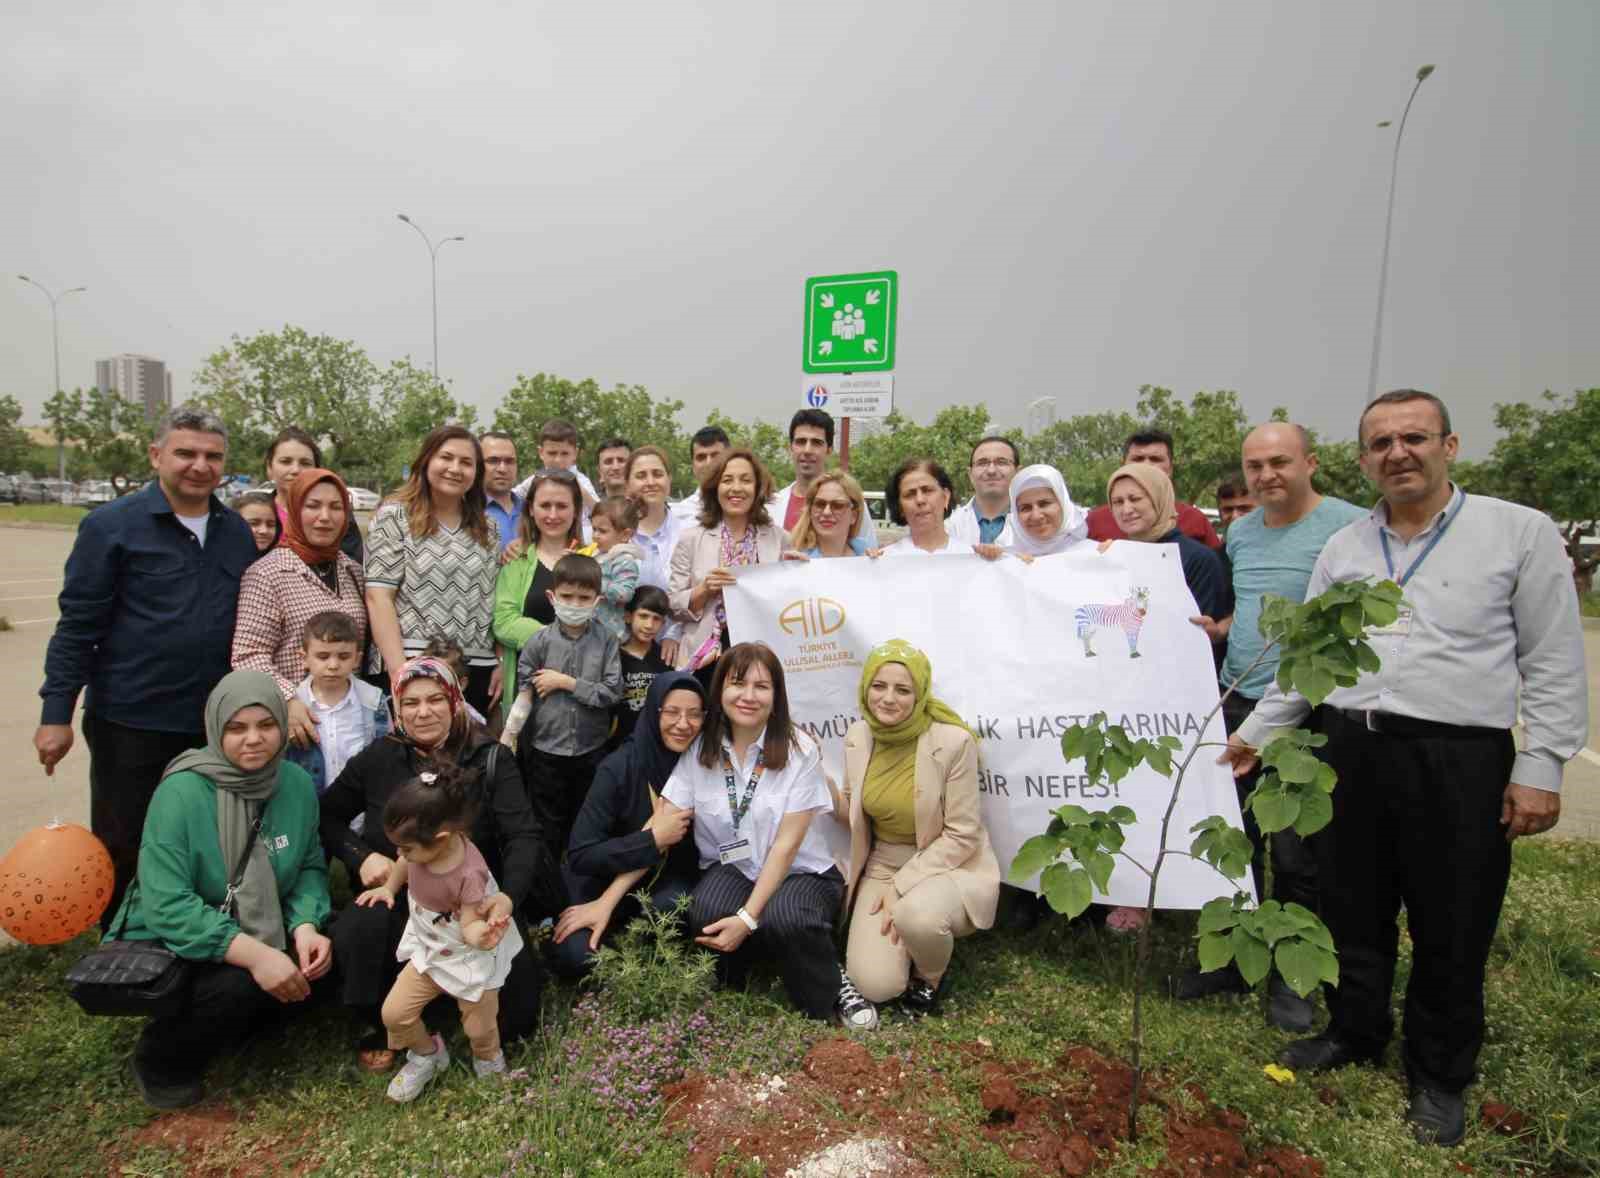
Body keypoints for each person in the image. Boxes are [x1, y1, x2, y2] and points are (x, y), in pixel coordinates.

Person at [1223, 390, 1588, 1148]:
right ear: (1363, 461)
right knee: (1353, 906)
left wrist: (1543, 764)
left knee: (1452, 919)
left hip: (1458, 756)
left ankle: (1440, 1073)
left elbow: (1552, 658)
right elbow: (1308, 662)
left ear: (1449, 445)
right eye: (1381, 443)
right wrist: (1256, 734)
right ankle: (1355, 1030)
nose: (1398, 454)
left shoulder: (1516, 534)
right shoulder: (1346, 549)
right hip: (1350, 749)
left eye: (1413, 438)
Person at [37, 404, 258, 930]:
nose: (199, 465)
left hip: (211, 723)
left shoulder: (235, 533)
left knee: (203, 835)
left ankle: (197, 929)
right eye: (186, 453)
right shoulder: (110, 528)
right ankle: (121, 942)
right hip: (131, 718)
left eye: (212, 456)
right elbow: (77, 627)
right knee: (126, 837)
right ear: (157, 454)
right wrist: (55, 713)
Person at [1174, 424, 1365, 1028]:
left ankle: (1292, 977)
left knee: (1299, 853)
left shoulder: (1349, 526)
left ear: (1311, 462)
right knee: (1232, 841)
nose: (1266, 475)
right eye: (1254, 466)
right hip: (1237, 702)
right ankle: (1234, 958)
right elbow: (1250, 607)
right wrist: (1222, 630)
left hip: (1308, 713)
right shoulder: (1244, 530)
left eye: (1279, 462)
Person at [321, 657, 557, 1070]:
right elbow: (327, 815)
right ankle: (384, 1021)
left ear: (454, 702)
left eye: (434, 700)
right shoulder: (379, 758)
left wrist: (507, 899)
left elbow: (524, 835)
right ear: (397, 708)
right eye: (410, 703)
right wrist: (361, 857)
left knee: (517, 1021)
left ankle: (456, 1002)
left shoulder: (489, 758)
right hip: (407, 900)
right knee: (363, 926)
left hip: (475, 903)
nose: (423, 711)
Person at [110, 671, 332, 1109]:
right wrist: (256, 953)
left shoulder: (295, 784)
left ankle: (249, 1021)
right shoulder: (181, 792)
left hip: (260, 918)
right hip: (182, 936)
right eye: (237, 728)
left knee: (335, 951)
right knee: (238, 986)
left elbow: (308, 865)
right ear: (215, 728)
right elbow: (167, 904)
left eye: (266, 725)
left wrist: (307, 923)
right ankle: (162, 1058)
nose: (253, 739)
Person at [659, 643, 877, 1029]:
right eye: (737, 683)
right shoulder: (701, 749)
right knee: (706, 910)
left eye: (762, 686)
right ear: (720, 691)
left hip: (801, 870)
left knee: (787, 916)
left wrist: (746, 916)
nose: (748, 696)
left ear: (776, 697)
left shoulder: (799, 749)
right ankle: (758, 969)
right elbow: (665, 814)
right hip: (738, 866)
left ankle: (828, 986)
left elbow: (787, 844)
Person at [1098, 461, 1231, 934]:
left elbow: (1214, 632)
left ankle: (1176, 891)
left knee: (1172, 793)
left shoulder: (1197, 559)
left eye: (1138, 499)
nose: (1128, 508)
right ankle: (1128, 891)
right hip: (1123, 692)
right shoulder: (1111, 555)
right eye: (1118, 501)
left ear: (1161, 499)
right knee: (1127, 793)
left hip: (1176, 701)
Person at [831, 641, 998, 1013]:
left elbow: (963, 833)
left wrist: (901, 887)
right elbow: (854, 811)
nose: (888, 699)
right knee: (875, 985)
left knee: (916, 916)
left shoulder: (953, 743)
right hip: (883, 862)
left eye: (902, 690)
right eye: (879, 686)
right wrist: (821, 790)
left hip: (947, 863)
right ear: (865, 689)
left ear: (919, 694)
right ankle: (905, 945)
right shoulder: (858, 736)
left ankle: (930, 976)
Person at [357, 770, 525, 1100]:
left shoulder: (468, 875)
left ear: (443, 838)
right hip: (429, 948)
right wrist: (390, 887)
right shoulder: (416, 849)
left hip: (468, 955)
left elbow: (470, 925)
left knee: (479, 1026)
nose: (401, 854)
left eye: (406, 848)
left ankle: (488, 1058)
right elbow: (404, 865)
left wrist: (483, 936)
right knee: (394, 1014)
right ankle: (427, 1054)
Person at [552, 671, 706, 977]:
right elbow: (582, 854)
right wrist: (651, 840)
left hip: (661, 882)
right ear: (652, 712)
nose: (683, 724)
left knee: (674, 906)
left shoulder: (702, 764)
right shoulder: (619, 767)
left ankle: (636, 943)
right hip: (600, 880)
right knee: (576, 958)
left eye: (694, 715)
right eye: (672, 712)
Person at [366, 425, 500, 715]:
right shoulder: (395, 518)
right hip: (414, 665)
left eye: (466, 462)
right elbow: (379, 598)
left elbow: (493, 600)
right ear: (427, 460)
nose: (455, 468)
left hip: (476, 668)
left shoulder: (487, 528)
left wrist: (498, 660)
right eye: (446, 458)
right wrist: (399, 672)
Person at [501, 553, 623, 865]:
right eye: (567, 597)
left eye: (584, 598)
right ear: (552, 597)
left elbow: (611, 692)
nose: (575, 604)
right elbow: (526, 688)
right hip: (546, 750)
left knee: (584, 822)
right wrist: (511, 731)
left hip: (590, 749)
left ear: (597, 601)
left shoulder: (607, 642)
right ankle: (547, 897)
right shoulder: (539, 641)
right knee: (546, 825)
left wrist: (567, 683)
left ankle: (580, 885)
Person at [232, 468, 367, 740]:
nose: (325, 517)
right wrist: (289, 699)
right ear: (294, 510)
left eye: (336, 507)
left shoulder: (352, 571)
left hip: (349, 722)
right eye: (313, 506)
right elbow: (248, 655)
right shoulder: (267, 574)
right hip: (295, 727)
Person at [669, 448, 791, 675]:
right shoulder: (691, 538)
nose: (736, 488)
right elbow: (673, 605)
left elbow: (791, 602)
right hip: (705, 656)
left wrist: (797, 570)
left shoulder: (780, 539)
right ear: (715, 488)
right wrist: (703, 590)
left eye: (745, 480)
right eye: (727, 480)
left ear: (758, 489)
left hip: (760, 653)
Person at [491, 468, 592, 721]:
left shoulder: (593, 559)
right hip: (529, 691)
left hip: (581, 687)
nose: (553, 514)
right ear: (531, 509)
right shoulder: (517, 559)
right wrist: (555, 641)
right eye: (545, 505)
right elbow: (504, 621)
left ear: (576, 510)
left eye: (562, 506)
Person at [284, 611, 389, 795]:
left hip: (358, 813)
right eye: (323, 657)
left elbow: (387, 758)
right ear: (304, 658)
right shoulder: (294, 705)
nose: (333, 665)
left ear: (357, 659)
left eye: (343, 656)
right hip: (309, 808)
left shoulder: (373, 700)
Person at [1086, 429, 1223, 550]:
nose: (1147, 465)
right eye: (1138, 459)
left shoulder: (1195, 520)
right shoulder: (1095, 521)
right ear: (1123, 465)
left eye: (1155, 459)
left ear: (1170, 468)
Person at [768, 409, 881, 546]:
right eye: (801, 442)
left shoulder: (851, 503)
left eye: (816, 443)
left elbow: (868, 553)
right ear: (790, 447)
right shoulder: (771, 507)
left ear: (829, 449)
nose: (807, 450)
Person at [623, 444, 684, 666]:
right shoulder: (613, 536)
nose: (650, 482)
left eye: (657, 474)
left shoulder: (689, 533)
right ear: (628, 484)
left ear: (669, 480)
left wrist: (674, 633)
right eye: (641, 476)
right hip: (623, 653)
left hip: (679, 653)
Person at [263, 426, 363, 563]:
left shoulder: (339, 517)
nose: (296, 470)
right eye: (286, 461)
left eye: (305, 463)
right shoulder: (254, 513)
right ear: (269, 468)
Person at [612, 585, 673, 748]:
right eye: (643, 616)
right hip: (618, 745)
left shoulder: (666, 657)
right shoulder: (612, 658)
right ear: (628, 616)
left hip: (656, 744)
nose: (649, 625)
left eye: (656, 619)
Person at [512, 420, 600, 532]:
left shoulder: (581, 481)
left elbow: (600, 511)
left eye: (564, 453)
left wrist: (580, 491)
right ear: (541, 453)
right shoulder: (535, 479)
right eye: (552, 453)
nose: (558, 460)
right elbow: (513, 496)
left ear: (575, 454)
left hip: (579, 541)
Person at [878, 458, 972, 557]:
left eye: (927, 490)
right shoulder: (886, 559)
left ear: (945, 497)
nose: (920, 500)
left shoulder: (971, 557)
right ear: (900, 507)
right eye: (910, 494)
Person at [947, 436, 1020, 546]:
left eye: (1001, 462)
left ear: (1017, 472)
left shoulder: (1033, 522)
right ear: (970, 474)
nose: (991, 470)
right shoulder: (948, 525)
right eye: (982, 463)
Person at [1005, 464, 1088, 558]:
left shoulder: (1095, 546)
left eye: (1044, 504)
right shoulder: (1004, 556)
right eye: (1025, 508)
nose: (1036, 516)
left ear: (1063, 503)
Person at [591, 495, 643, 642]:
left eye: (602, 531)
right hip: (588, 631)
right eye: (594, 529)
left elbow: (624, 593)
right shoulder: (597, 554)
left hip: (609, 634)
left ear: (625, 535)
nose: (595, 536)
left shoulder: (624, 560)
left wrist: (592, 583)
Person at [788, 471, 872, 557]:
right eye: (820, 504)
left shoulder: (866, 554)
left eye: (837, 505)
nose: (826, 512)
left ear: (854, 516)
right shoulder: (795, 560)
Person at [671, 425, 731, 526]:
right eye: (701, 457)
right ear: (693, 466)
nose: (709, 463)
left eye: (716, 455)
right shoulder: (677, 516)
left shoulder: (752, 510)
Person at [479, 431, 523, 556]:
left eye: (509, 461)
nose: (502, 469)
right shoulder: (463, 512)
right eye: (493, 461)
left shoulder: (533, 511)